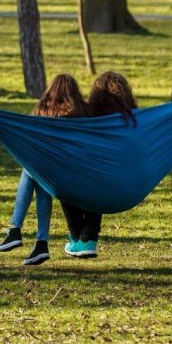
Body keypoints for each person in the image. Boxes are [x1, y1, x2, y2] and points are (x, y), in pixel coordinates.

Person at [0, 74, 90, 266]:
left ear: (51, 91)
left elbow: (28, 140)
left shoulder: (42, 111)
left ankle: (16, 230)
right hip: (71, 173)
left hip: (59, 175)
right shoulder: (84, 113)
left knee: (30, 169)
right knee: (37, 175)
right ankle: (40, 245)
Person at [62, 70, 138, 259]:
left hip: (96, 181)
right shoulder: (136, 119)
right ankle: (85, 239)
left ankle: (80, 236)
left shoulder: (91, 120)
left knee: (67, 181)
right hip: (125, 182)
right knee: (96, 179)